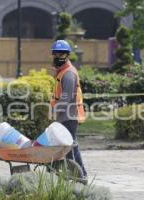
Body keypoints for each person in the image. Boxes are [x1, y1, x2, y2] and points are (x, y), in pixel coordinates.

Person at [50, 40, 87, 178]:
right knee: (65, 147)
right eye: (55, 54)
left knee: (71, 147)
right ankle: (60, 173)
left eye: (61, 54)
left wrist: (54, 111)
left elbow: (66, 98)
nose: (57, 56)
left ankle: (81, 175)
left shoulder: (69, 74)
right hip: (64, 116)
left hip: (69, 116)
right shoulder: (62, 72)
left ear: (67, 55)